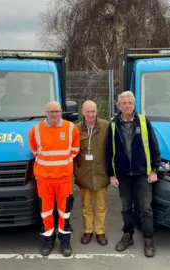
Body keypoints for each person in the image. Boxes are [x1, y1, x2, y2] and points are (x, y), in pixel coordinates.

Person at [105, 90, 161, 258]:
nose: (127, 106)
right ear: (119, 105)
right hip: (123, 175)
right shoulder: (113, 125)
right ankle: (128, 235)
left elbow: (154, 147)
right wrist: (111, 174)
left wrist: (155, 170)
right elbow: (108, 152)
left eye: (130, 103)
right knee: (126, 208)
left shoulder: (143, 122)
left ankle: (148, 240)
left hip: (143, 174)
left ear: (134, 105)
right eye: (124, 103)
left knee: (146, 208)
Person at [28, 101, 80, 257]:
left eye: (57, 111)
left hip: (63, 179)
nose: (54, 114)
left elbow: (75, 149)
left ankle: (65, 242)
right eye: (51, 112)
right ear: (46, 112)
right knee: (46, 212)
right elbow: (34, 151)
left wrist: (62, 164)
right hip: (44, 180)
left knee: (65, 212)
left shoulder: (71, 128)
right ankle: (47, 241)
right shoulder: (35, 130)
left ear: (61, 111)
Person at [73, 100, 110, 246]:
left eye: (93, 111)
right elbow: (73, 153)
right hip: (84, 175)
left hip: (101, 173)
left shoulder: (105, 126)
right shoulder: (76, 129)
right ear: (83, 112)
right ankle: (88, 230)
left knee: (101, 206)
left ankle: (100, 232)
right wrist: (77, 171)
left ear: (96, 112)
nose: (91, 114)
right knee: (86, 206)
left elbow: (111, 149)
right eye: (88, 111)